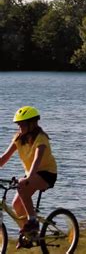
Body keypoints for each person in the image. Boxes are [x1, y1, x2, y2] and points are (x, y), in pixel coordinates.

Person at [0, 106, 57, 249]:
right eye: (18, 124)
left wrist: (28, 178)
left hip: (46, 173)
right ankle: (29, 234)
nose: (20, 127)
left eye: (23, 124)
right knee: (16, 205)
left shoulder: (41, 138)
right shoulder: (18, 139)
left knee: (21, 186)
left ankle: (33, 221)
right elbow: (3, 158)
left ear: (33, 123)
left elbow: (37, 160)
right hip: (31, 174)